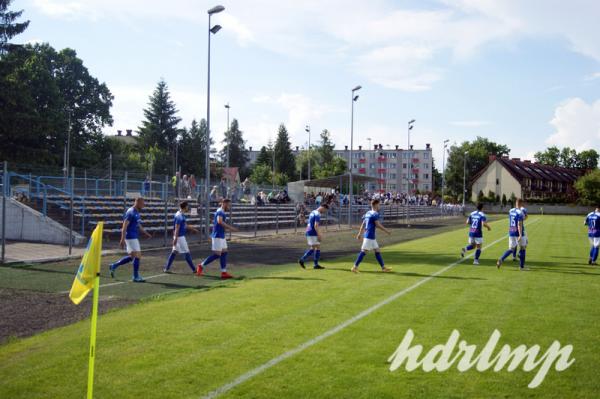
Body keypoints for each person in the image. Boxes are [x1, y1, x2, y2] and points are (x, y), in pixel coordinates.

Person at [109, 197, 152, 282]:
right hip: (130, 237)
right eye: (143, 203)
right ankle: (135, 277)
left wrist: (146, 233)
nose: (144, 205)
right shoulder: (130, 212)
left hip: (133, 236)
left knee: (132, 256)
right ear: (137, 202)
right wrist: (122, 239)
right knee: (138, 255)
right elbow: (124, 226)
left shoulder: (136, 212)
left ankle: (114, 266)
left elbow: (138, 225)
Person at [196, 198, 239, 279]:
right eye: (228, 205)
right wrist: (231, 228)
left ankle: (224, 272)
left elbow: (217, 222)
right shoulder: (220, 211)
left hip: (221, 235)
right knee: (217, 254)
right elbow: (219, 221)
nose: (229, 207)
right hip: (217, 236)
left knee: (224, 253)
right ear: (224, 203)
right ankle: (201, 265)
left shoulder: (221, 211)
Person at [351, 199, 392, 273]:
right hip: (369, 236)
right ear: (375, 205)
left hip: (370, 236)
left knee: (377, 250)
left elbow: (363, 223)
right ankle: (354, 267)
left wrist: (359, 233)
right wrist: (387, 231)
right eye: (379, 204)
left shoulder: (368, 213)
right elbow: (377, 225)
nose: (379, 206)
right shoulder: (375, 214)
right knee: (364, 251)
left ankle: (383, 268)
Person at [163, 201, 200, 273]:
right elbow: (177, 228)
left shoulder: (180, 214)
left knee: (174, 252)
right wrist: (176, 239)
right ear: (185, 207)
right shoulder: (179, 216)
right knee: (187, 252)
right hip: (180, 237)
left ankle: (166, 268)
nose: (188, 207)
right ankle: (194, 269)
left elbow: (185, 225)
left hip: (178, 237)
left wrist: (193, 229)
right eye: (187, 206)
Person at [497, 199, 528, 270]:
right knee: (523, 248)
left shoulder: (510, 211)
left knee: (511, 249)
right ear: (520, 203)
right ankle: (521, 267)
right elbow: (519, 224)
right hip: (518, 232)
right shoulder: (520, 212)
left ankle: (501, 259)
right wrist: (520, 234)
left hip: (511, 231)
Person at [298, 203, 329, 269]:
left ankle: (315, 264)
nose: (324, 212)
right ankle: (302, 260)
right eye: (325, 210)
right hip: (312, 232)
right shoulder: (317, 214)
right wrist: (319, 234)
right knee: (314, 247)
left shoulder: (313, 212)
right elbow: (316, 225)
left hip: (309, 230)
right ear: (323, 207)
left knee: (316, 247)